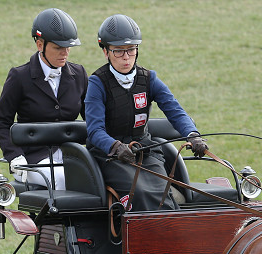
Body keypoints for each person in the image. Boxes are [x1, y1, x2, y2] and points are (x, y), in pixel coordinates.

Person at [85, 14, 208, 211]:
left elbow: (175, 110)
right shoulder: (97, 83)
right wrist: (116, 147)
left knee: (163, 193)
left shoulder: (149, 79)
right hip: (110, 156)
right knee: (139, 193)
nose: (126, 57)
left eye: (131, 50)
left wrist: (193, 135)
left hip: (145, 151)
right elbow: (95, 131)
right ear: (105, 51)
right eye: (118, 51)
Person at [0, 8, 88, 190]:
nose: (65, 53)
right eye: (58, 47)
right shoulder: (19, 77)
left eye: (68, 47)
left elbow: (92, 117)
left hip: (71, 153)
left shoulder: (79, 74)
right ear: (40, 45)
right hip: (34, 158)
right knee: (63, 179)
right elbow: (0, 122)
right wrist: (14, 156)